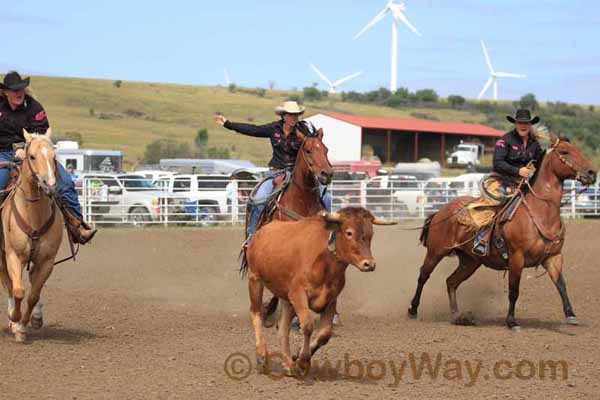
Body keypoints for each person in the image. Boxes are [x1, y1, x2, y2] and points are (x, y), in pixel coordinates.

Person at [0, 71, 96, 244]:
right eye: (13, 90)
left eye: (20, 89)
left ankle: (77, 226)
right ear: (5, 92)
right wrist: (14, 153)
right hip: (3, 153)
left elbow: (42, 134)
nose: (18, 93)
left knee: (65, 182)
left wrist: (25, 149)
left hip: (35, 154)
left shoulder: (34, 107)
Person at [213, 101, 332, 240]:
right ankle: (251, 237)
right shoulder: (274, 128)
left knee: (327, 198)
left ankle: (328, 234)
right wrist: (228, 124)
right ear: (284, 115)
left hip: (297, 174)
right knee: (258, 199)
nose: (294, 117)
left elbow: (314, 146)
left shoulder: (304, 131)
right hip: (276, 172)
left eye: (296, 115)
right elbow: (253, 129)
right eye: (291, 114)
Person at [472, 108, 544, 255]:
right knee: (496, 205)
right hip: (501, 181)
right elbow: (497, 162)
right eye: (520, 123)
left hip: (523, 184)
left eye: (526, 123)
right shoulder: (505, 140)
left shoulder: (534, 144)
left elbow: (539, 162)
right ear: (515, 123)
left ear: (530, 125)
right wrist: (518, 171)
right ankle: (482, 239)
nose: (523, 125)